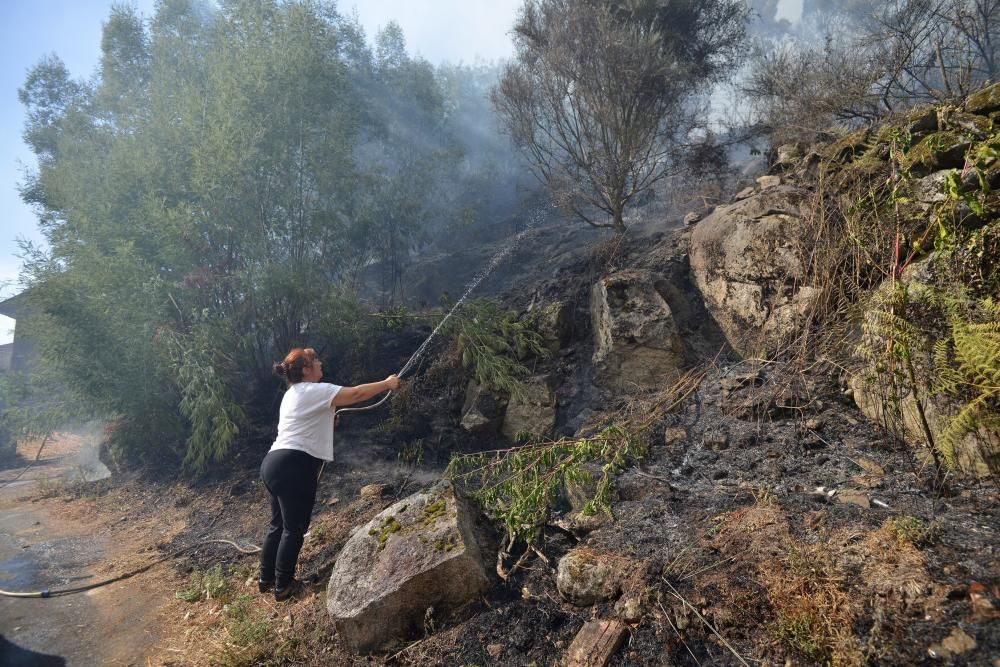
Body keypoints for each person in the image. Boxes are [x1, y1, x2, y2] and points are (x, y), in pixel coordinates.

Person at [259, 347, 401, 601]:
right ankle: (283, 586)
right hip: (294, 465)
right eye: (316, 361)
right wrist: (387, 383)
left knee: (278, 525)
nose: (321, 363)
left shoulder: (292, 394)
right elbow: (356, 393)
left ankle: (265, 578)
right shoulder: (315, 390)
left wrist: (327, 420)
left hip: (273, 463)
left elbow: (303, 423)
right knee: (294, 529)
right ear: (306, 369)